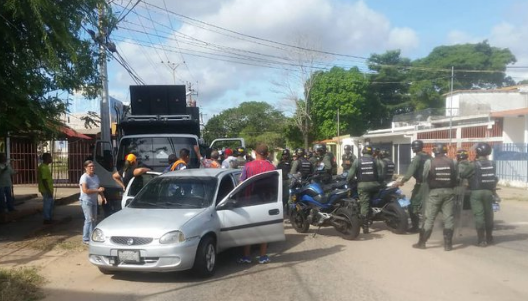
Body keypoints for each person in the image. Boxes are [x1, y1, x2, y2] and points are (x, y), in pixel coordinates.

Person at [413, 143, 457, 251]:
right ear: (445, 151)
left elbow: (424, 176)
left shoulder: (430, 162)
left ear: (435, 151)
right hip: (450, 193)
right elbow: (457, 176)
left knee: (429, 218)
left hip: (434, 193)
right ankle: (448, 245)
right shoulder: (453, 162)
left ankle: (422, 243)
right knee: (449, 218)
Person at [238, 143, 276, 264]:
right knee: (264, 229)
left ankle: (246, 256)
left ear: (255, 153)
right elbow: (274, 186)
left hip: (250, 202)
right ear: (267, 154)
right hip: (266, 202)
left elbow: (240, 185)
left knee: (248, 230)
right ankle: (263, 256)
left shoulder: (248, 166)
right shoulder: (272, 167)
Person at [459, 142, 497, 247]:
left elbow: (463, 174)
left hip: (476, 193)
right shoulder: (493, 164)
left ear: (478, 152)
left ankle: (481, 240)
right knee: (489, 215)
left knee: (479, 215)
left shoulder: (473, 164)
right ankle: (489, 237)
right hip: (489, 192)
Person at [346, 145, 384, 234]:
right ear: (371, 152)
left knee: (364, 204)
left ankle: (365, 226)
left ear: (363, 152)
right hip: (375, 185)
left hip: (363, 186)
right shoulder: (376, 160)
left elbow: (351, 174)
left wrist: (348, 181)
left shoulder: (357, 160)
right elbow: (380, 175)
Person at [398, 140, 432, 233]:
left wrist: (402, 181)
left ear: (414, 148)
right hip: (431, 185)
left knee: (412, 205)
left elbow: (410, 172)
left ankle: (415, 226)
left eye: (413, 147)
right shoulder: (430, 157)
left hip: (421, 185)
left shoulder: (417, 158)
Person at [79, 160, 106, 245]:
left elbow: (99, 187)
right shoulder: (84, 177)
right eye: (90, 166)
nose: (92, 168)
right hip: (86, 201)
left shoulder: (96, 177)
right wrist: (97, 190)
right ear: (85, 168)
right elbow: (85, 190)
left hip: (94, 201)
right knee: (89, 219)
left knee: (94, 219)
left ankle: (92, 237)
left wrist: (102, 196)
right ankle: (85, 238)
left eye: (93, 166)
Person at [37, 153, 55, 224]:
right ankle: (47, 218)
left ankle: (49, 217)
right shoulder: (44, 167)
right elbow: (44, 180)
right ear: (47, 159)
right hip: (46, 189)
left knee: (50, 204)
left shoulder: (44, 166)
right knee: (47, 204)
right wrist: (48, 190)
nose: (51, 159)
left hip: (48, 189)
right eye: (50, 158)